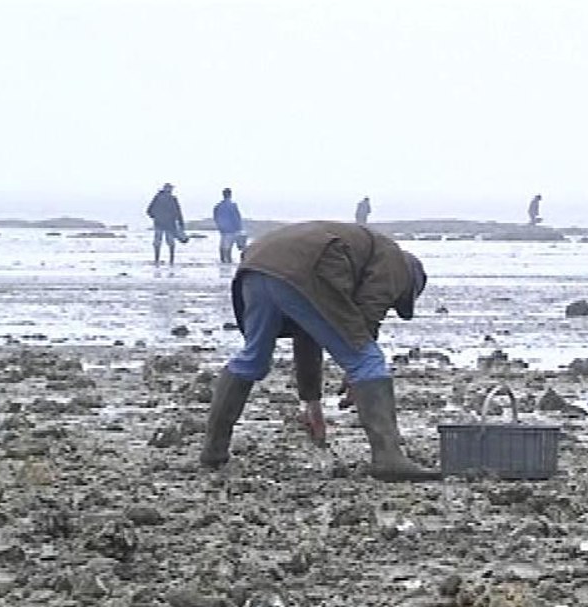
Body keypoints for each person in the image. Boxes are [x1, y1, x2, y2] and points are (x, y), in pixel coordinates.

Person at [200, 220, 439, 481]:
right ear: (410, 284)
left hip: (256, 268)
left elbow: (308, 332)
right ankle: (389, 458)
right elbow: (369, 315)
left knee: (253, 359)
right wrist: (356, 372)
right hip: (307, 269)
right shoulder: (397, 262)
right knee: (368, 360)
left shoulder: (363, 250)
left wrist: (311, 401)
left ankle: (214, 450)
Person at [146, 183, 186, 265]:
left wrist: (156, 217)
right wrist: (181, 223)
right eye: (170, 188)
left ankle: (158, 260)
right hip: (169, 224)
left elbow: (149, 211)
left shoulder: (158, 198)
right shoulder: (171, 199)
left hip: (160, 223)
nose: (171, 190)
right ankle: (170, 260)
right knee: (169, 243)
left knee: (159, 242)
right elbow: (178, 212)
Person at [213, 188, 247, 263]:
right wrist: (240, 228)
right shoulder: (233, 205)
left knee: (224, 249)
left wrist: (220, 227)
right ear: (230, 195)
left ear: (223, 195)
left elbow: (216, 218)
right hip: (233, 230)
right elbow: (237, 217)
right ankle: (237, 265)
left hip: (225, 231)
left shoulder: (218, 206)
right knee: (240, 248)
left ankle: (225, 266)